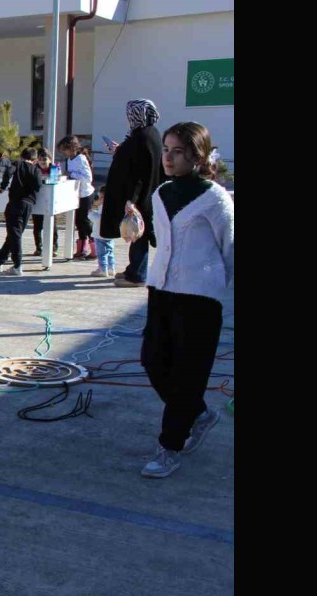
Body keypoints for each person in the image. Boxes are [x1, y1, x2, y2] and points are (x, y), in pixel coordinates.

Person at [139, 122, 233, 478]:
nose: (168, 157)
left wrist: (213, 281)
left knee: (187, 375)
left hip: (199, 297)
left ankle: (169, 447)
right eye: (166, 149)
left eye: (178, 151)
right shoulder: (162, 193)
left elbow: (230, 248)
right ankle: (198, 414)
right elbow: (162, 241)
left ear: (198, 156)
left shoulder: (215, 198)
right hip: (161, 290)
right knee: (152, 360)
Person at [101, 99, 164, 287]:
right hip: (146, 194)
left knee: (138, 233)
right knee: (136, 232)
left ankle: (137, 275)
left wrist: (132, 200)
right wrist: (120, 150)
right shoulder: (147, 134)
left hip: (140, 196)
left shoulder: (142, 137)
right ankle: (133, 269)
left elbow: (138, 172)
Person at [0, 147, 42, 276]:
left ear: (21, 156)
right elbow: (38, 186)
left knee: (15, 235)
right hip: (28, 205)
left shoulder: (17, 164)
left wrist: (3, 186)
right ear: (35, 159)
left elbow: (8, 171)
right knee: (14, 234)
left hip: (15, 203)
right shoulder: (36, 169)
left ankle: (17, 265)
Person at [58, 135, 97, 259]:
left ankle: (95, 248)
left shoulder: (81, 158)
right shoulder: (70, 160)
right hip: (75, 195)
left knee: (86, 221)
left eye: (65, 149)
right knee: (78, 221)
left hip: (85, 194)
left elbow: (87, 177)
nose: (63, 152)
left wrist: (72, 174)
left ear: (72, 148)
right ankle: (82, 247)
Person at [29, 147, 60, 256]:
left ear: (50, 160)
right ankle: (39, 247)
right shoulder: (34, 168)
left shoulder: (54, 169)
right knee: (37, 226)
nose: (42, 161)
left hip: (50, 200)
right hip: (37, 200)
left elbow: (54, 181)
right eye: (40, 159)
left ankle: (53, 247)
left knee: (52, 225)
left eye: (45, 159)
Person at [88, 187, 117, 277]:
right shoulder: (113, 207)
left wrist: (91, 214)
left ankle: (102, 269)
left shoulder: (105, 208)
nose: (99, 200)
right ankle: (111, 268)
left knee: (102, 253)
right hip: (110, 233)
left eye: (101, 197)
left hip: (100, 234)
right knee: (110, 251)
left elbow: (98, 219)